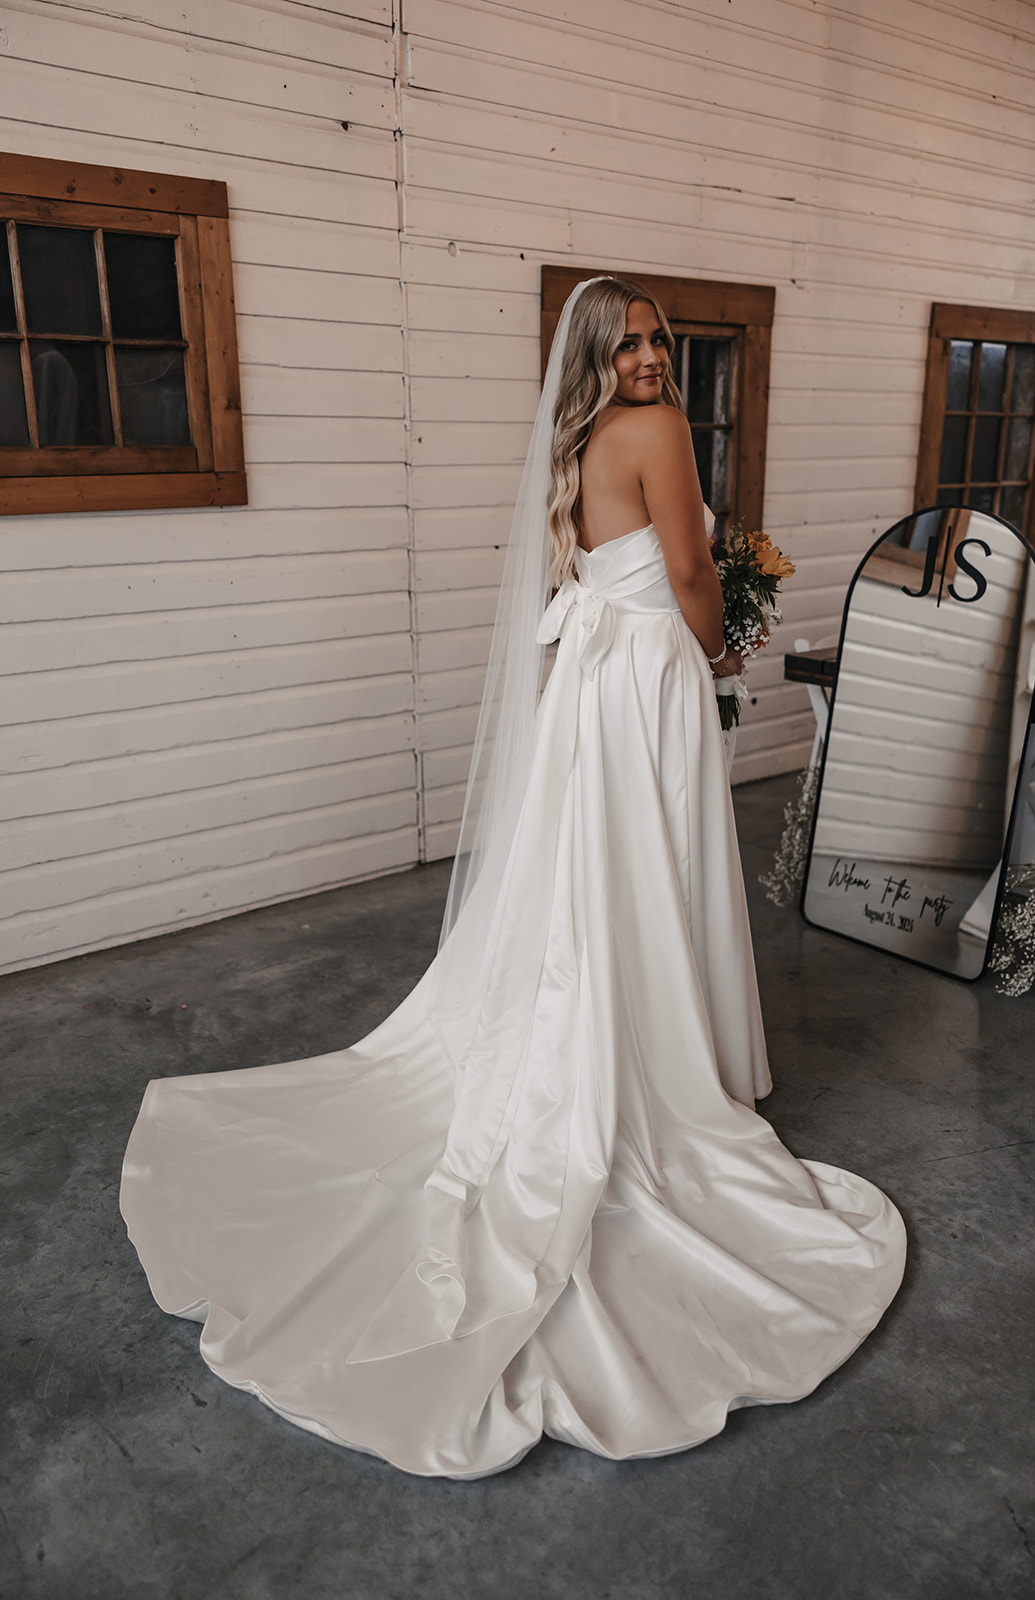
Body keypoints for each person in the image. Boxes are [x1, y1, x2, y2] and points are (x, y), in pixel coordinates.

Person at [121, 277, 906, 1480]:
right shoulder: (657, 432)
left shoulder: (577, 437)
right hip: (643, 680)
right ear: (599, 349)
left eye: (659, 339)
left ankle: (628, 1033)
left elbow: (588, 573)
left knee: (592, 880)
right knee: (649, 869)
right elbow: (692, 589)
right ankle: (663, 1060)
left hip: (593, 692)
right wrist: (722, 635)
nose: (651, 357)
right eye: (630, 341)